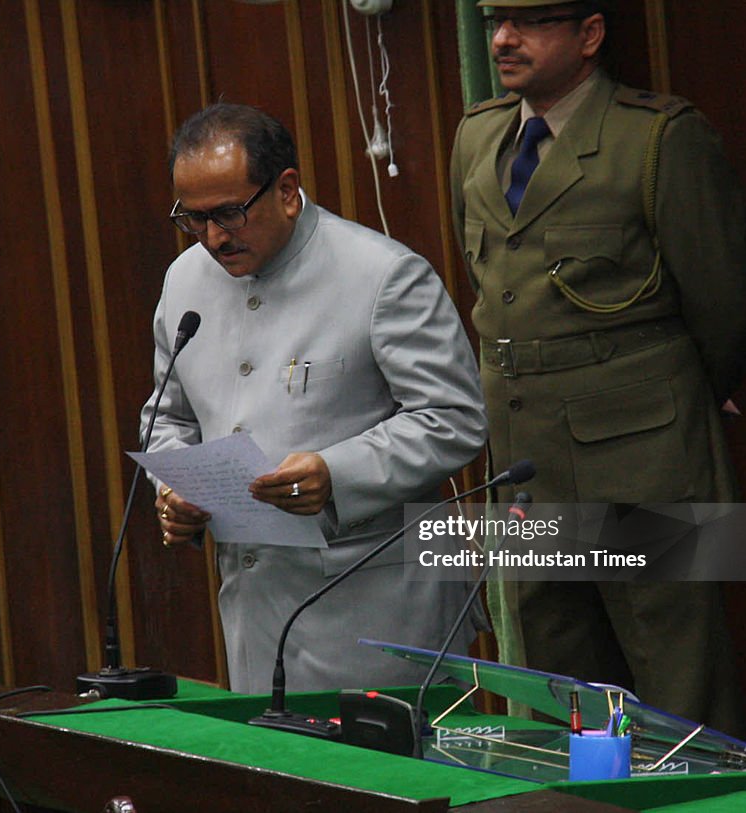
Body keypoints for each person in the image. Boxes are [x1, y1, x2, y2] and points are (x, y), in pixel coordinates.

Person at [450, 0, 746, 736]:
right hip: (528, 469)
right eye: (497, 20)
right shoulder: (479, 135)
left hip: (643, 461)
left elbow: (727, 304)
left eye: (528, 22)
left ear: (589, 35)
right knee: (565, 704)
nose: (501, 38)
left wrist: (681, 399)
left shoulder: (656, 138)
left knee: (680, 698)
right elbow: (495, 287)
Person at [142, 103, 488, 694]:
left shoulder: (383, 275)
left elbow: (452, 419)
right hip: (254, 609)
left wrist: (337, 472)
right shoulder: (185, 279)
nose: (214, 238)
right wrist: (175, 487)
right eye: (192, 219)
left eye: (229, 213)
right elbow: (168, 416)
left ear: (287, 190)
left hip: (374, 604)